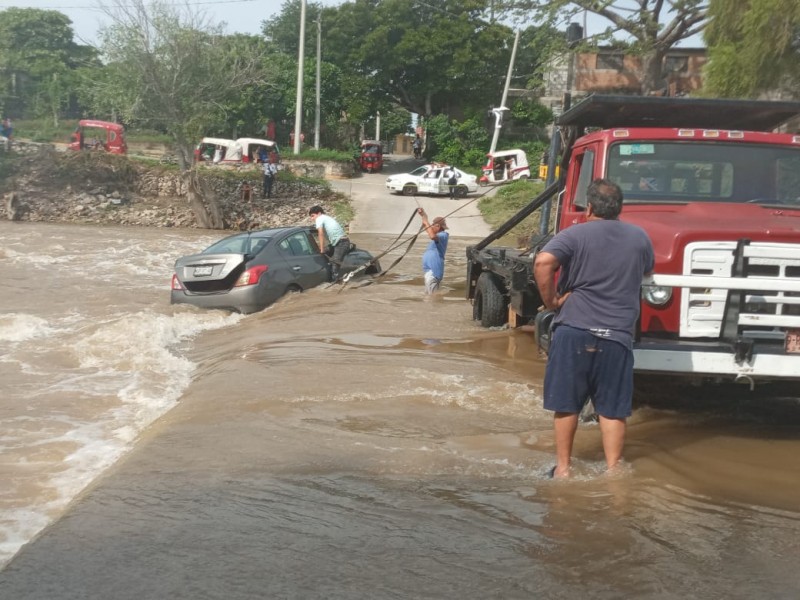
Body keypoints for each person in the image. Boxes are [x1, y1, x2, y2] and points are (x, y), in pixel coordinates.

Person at [533, 179, 654, 479]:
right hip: (617, 334)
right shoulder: (639, 237)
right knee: (612, 409)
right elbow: (648, 271)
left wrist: (552, 302)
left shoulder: (574, 234)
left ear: (589, 207)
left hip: (574, 328)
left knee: (567, 404)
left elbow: (543, 262)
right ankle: (613, 471)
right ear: (620, 208)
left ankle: (563, 469)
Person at [309, 205, 350, 282]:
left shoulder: (320, 218)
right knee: (324, 254)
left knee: (335, 262)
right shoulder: (326, 218)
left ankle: (335, 282)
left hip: (341, 243)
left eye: (312, 216)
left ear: (319, 213)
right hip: (337, 243)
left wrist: (321, 249)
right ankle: (330, 276)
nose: (312, 218)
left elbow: (320, 233)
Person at [417, 208, 449, 294]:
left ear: (438, 226)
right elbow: (427, 228)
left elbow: (432, 236)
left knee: (432, 298)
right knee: (429, 296)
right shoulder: (438, 234)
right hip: (429, 272)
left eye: (433, 225)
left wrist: (426, 222)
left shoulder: (443, 235)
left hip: (434, 272)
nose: (431, 227)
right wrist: (423, 215)